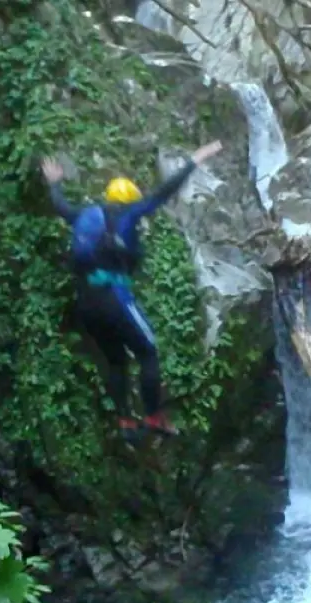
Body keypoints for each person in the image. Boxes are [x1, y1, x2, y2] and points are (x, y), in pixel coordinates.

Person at [41, 140, 223, 442]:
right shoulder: (128, 214)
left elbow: (61, 207)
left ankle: (125, 421)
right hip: (114, 296)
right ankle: (153, 418)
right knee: (148, 353)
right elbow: (164, 193)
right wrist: (194, 160)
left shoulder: (85, 216)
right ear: (129, 198)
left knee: (116, 360)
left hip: (86, 302)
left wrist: (54, 184)